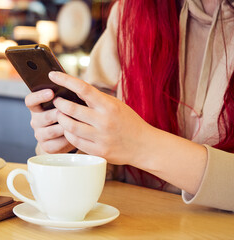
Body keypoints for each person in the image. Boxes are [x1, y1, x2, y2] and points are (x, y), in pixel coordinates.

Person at [24, 0, 234, 211]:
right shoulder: (131, 12)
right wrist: (70, 139)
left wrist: (143, 146)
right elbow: (99, 158)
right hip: (132, 224)